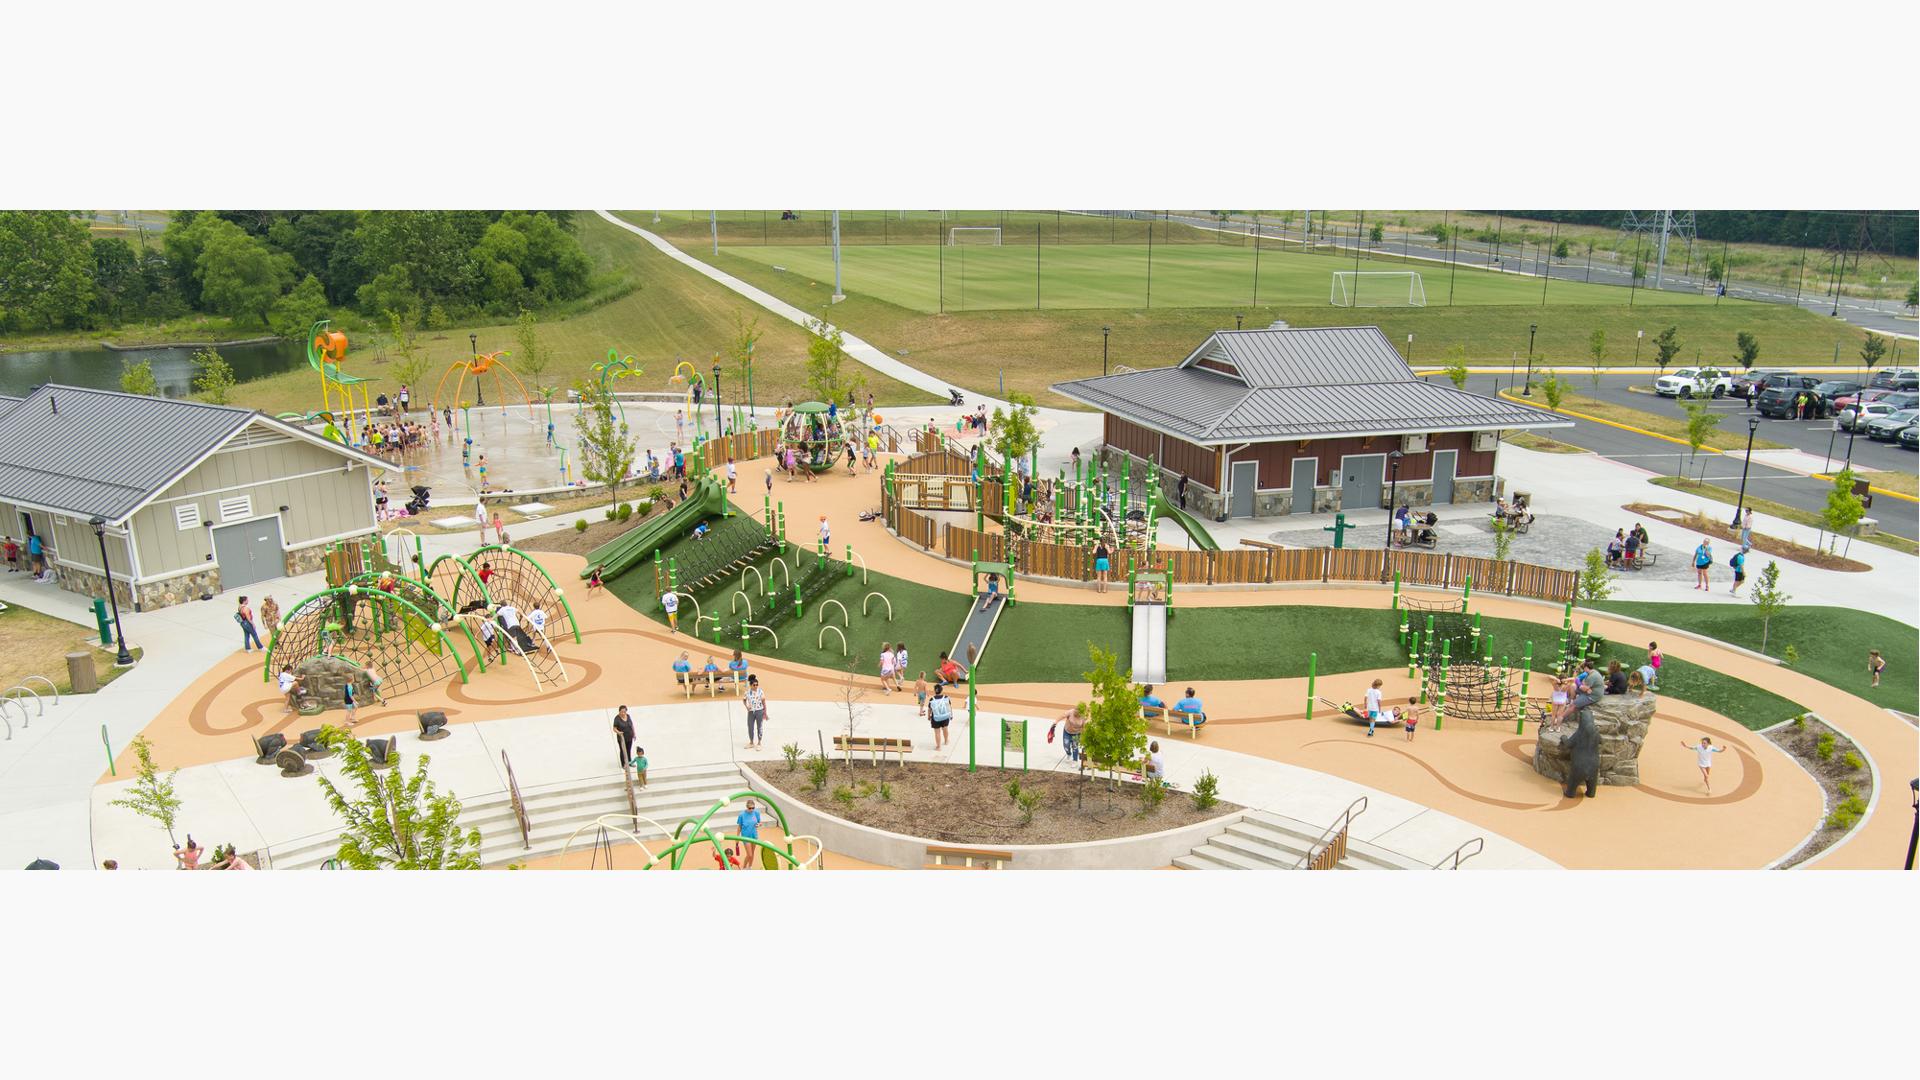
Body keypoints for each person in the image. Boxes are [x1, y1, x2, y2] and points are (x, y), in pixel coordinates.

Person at [734, 799, 765, 867]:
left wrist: (759, 824)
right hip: (746, 836)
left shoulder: (756, 813)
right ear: (746, 807)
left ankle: (750, 867)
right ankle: (744, 867)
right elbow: (739, 827)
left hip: (754, 835)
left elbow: (760, 822)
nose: (751, 810)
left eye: (753, 808)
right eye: (750, 808)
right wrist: (737, 837)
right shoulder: (742, 815)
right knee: (749, 854)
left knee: (752, 853)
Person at [743, 675, 768, 749]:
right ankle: (751, 742)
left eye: (757, 684)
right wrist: (747, 707)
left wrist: (765, 713)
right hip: (751, 712)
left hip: (759, 711)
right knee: (750, 727)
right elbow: (744, 700)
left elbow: (764, 703)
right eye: (754, 685)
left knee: (759, 727)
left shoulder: (760, 692)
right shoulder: (747, 692)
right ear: (750, 685)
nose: (756, 686)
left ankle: (759, 743)